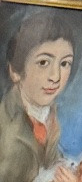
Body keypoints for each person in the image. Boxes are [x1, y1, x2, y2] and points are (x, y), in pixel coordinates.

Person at [0, 10, 75, 182]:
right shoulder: (6, 129)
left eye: (64, 64)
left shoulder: (50, 118)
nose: (55, 76)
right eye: (43, 62)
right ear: (15, 71)